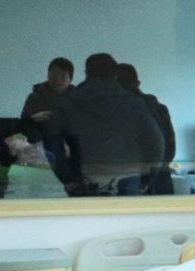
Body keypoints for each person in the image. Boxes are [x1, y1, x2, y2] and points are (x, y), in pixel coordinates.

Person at [62, 51, 163, 195]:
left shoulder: (70, 103)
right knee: (128, 211)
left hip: (85, 174)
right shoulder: (133, 104)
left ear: (87, 74)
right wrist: (148, 178)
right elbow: (156, 143)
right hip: (128, 174)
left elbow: (56, 143)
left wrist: (68, 178)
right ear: (115, 75)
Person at [117, 63, 175, 195]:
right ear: (138, 83)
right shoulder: (159, 109)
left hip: (130, 179)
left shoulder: (120, 111)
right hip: (160, 179)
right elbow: (170, 148)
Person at [21, 57, 77, 181]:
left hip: (72, 143)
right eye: (53, 74)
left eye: (62, 76)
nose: (57, 79)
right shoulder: (35, 98)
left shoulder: (78, 98)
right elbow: (24, 125)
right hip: (43, 143)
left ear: (70, 78)